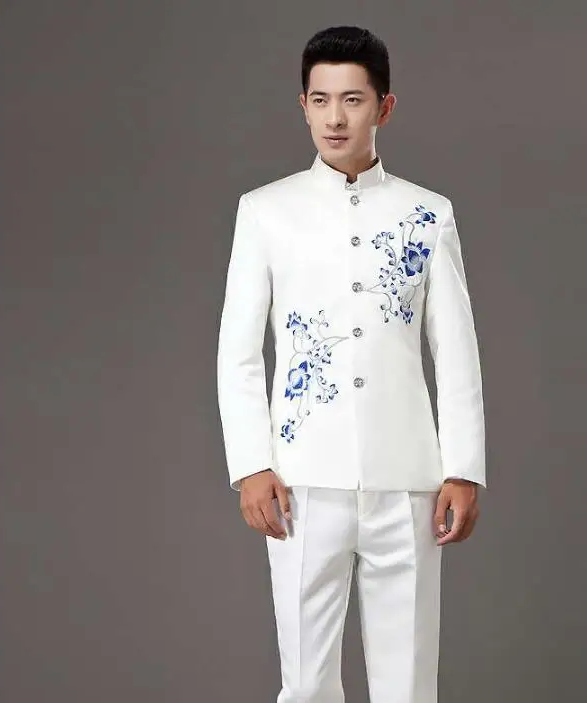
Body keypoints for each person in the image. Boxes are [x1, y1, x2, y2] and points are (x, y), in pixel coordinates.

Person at [216, 24, 486, 703]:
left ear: (384, 107)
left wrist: (462, 468)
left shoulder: (428, 214)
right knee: (305, 684)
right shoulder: (266, 211)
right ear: (303, 106)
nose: (335, 117)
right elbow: (238, 351)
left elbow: (456, 350)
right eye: (321, 100)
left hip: (409, 481)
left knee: (408, 684)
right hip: (300, 481)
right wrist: (251, 464)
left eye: (353, 100)